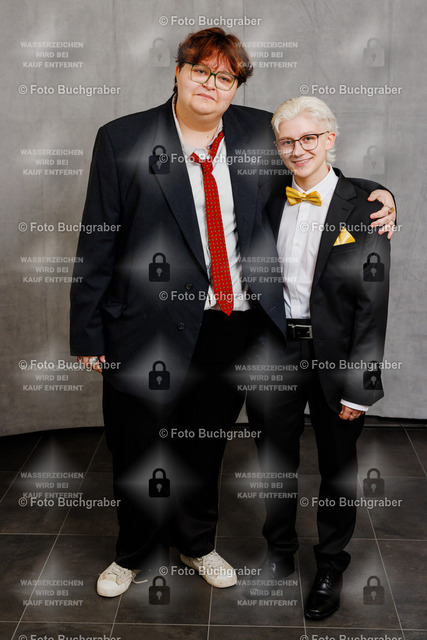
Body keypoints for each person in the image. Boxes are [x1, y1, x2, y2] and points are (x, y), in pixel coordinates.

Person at [69, 29, 395, 598]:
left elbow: (314, 168)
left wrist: (382, 195)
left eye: (225, 77)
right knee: (137, 443)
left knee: (205, 442)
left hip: (231, 322)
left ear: (236, 85)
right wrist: (87, 331)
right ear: (178, 71)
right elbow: (98, 238)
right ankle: (132, 552)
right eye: (200, 70)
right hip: (144, 325)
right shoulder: (122, 138)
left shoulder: (258, 131)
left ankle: (196, 543)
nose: (211, 84)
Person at [246, 96, 391, 620]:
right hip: (276, 350)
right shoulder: (266, 199)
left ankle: (330, 562)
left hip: (338, 358)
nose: (298, 149)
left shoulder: (366, 207)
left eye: (309, 138)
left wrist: (362, 384)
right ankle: (279, 553)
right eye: (287, 141)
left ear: (330, 139)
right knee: (274, 460)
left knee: (337, 465)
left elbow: (373, 304)